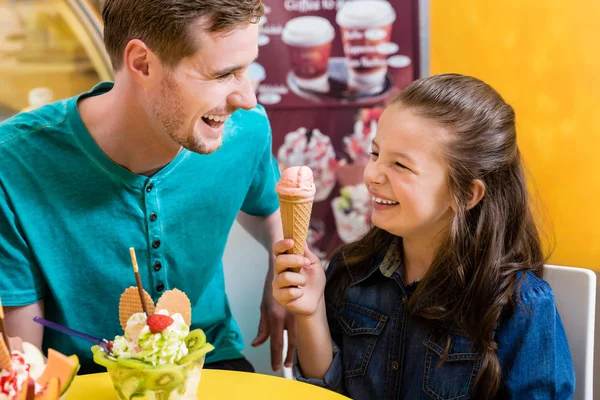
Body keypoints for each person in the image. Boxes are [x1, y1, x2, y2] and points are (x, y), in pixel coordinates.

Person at [0, 0, 296, 375]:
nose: (247, 97)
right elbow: (26, 357)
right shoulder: (12, 162)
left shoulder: (246, 132)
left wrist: (281, 263)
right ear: (141, 63)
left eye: (246, 69)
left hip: (211, 362)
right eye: (223, 74)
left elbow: (266, 204)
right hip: (86, 379)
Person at [272, 74, 575, 399]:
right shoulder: (351, 271)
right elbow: (326, 392)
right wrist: (311, 310)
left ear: (466, 194)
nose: (372, 175)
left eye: (400, 165)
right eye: (375, 154)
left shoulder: (519, 305)